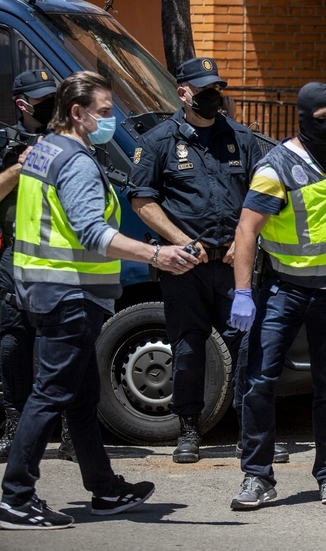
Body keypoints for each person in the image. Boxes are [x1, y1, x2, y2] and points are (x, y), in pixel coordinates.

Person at [0, 71, 195, 530]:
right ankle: (15, 497)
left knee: (81, 398)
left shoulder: (44, 151)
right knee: (50, 395)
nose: (111, 119)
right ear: (77, 113)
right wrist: (156, 253)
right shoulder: (77, 162)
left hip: (47, 290)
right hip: (70, 294)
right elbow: (92, 232)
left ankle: (105, 490)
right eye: (105, 112)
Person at [227, 82, 326, 510]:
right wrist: (243, 292)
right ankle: (257, 476)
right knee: (260, 382)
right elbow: (247, 229)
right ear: (304, 119)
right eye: (322, 117)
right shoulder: (275, 168)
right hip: (284, 289)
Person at [128, 57, 267, 464]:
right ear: (183, 92)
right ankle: (188, 429)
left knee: (247, 345)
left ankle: (249, 429)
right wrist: (182, 241)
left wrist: (243, 241)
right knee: (188, 349)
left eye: (216, 90)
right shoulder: (158, 142)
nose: (212, 97)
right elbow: (142, 200)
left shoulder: (241, 138)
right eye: (204, 90)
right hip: (185, 265)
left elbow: (260, 197)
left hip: (231, 262)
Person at [0, 71, 78, 462]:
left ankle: (70, 428)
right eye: (42, 99)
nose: (49, 105)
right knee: (14, 340)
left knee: (65, 340)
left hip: (62, 256)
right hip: (16, 254)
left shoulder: (70, 142)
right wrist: (19, 167)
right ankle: (15, 421)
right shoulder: (7, 142)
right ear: (23, 105)